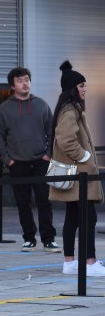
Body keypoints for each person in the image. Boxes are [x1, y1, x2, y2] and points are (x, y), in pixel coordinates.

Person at [0, 66, 60, 252]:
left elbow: (52, 132)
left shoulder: (41, 104)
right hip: (17, 163)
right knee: (23, 202)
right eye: (20, 80)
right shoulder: (5, 108)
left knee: (44, 200)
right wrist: (8, 160)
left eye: (27, 80)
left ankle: (48, 239)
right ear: (13, 86)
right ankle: (29, 238)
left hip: (41, 160)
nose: (25, 83)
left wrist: (48, 154)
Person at [49, 61, 104, 276]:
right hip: (78, 175)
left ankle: (70, 262)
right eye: (81, 86)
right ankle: (89, 262)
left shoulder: (69, 109)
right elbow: (66, 140)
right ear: (72, 88)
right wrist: (84, 155)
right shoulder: (70, 110)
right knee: (88, 218)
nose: (85, 89)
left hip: (74, 177)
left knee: (73, 217)